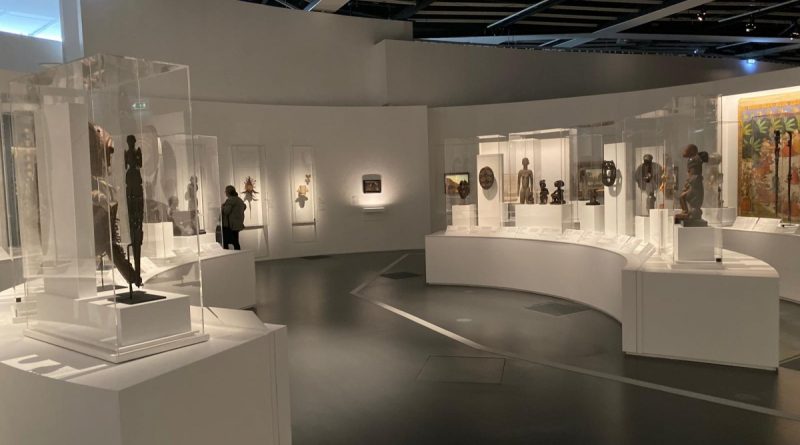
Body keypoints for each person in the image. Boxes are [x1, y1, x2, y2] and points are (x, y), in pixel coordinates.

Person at [221, 185, 246, 250]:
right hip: (237, 225)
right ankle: (238, 255)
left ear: (228, 192)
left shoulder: (230, 200)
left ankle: (228, 255)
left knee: (226, 242)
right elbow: (244, 207)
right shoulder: (239, 200)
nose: (225, 192)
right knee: (236, 242)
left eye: (225, 191)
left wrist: (222, 207)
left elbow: (226, 211)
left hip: (230, 225)